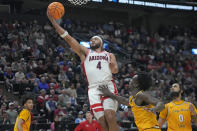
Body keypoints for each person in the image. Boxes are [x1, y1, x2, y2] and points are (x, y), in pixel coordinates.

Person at [47, 10, 119, 131]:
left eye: (94, 39)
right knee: (102, 123)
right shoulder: (85, 53)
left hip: (107, 86)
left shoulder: (109, 54)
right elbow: (68, 38)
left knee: (110, 116)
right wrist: (53, 22)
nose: (92, 41)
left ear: (101, 42)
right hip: (93, 89)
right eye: (90, 40)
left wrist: (112, 66)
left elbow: (115, 70)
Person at [99, 72, 164, 131]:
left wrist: (155, 109)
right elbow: (124, 100)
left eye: (132, 79)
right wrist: (109, 94)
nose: (130, 81)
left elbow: (160, 103)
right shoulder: (133, 98)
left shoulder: (142, 95)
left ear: (136, 84)